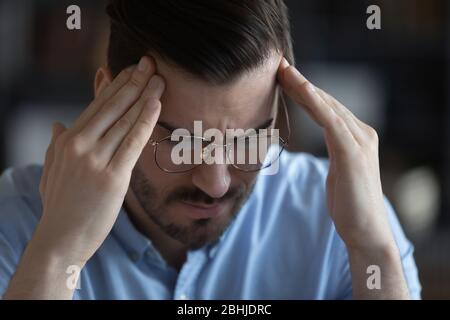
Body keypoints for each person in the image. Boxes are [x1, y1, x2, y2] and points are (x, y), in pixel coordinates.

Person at [1, 0, 420, 299]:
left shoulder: (344, 224)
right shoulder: (17, 226)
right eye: (181, 141)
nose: (216, 184)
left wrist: (373, 252)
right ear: (106, 103)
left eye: (247, 139)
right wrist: (58, 254)